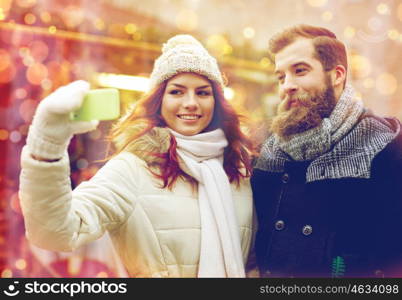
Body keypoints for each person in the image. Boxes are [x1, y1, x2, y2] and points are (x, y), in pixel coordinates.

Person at [19, 34, 256, 278]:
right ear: (158, 102)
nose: (191, 103)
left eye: (203, 93)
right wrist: (46, 147)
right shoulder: (132, 169)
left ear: (216, 102)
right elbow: (55, 232)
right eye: (176, 92)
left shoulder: (239, 172)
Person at [252, 24, 402, 277]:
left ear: (337, 75)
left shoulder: (385, 145)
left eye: (300, 71)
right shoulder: (266, 150)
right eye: (281, 76)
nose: (287, 85)